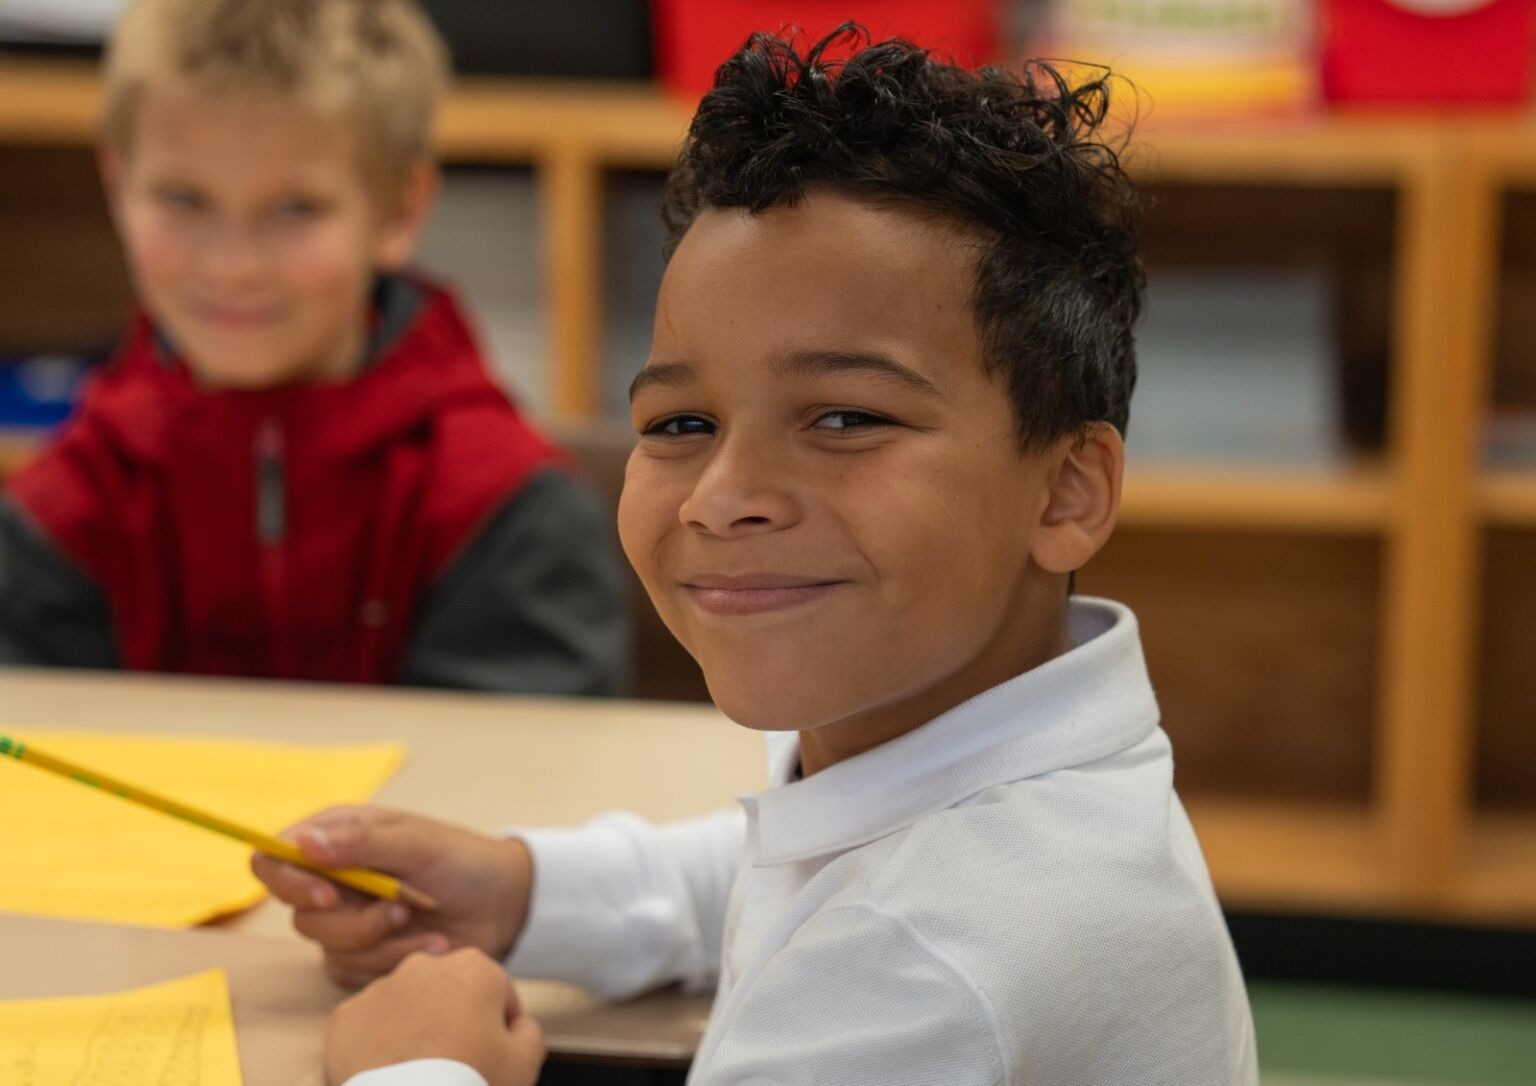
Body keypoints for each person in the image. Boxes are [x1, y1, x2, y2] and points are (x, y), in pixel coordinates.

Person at [255, 27, 1259, 1086]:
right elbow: (780, 857)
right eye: (682, 426)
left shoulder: (920, 966)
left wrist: (411, 1069)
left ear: (1067, 490)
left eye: (843, 418)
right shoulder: (957, 756)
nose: (724, 499)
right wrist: (521, 889)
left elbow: (868, 925)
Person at [0, 0, 628, 695]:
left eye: (295, 208)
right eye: (184, 199)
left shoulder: (509, 512)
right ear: (119, 187)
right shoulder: (58, 515)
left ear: (399, 209)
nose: (234, 265)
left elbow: (522, 791)